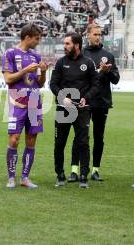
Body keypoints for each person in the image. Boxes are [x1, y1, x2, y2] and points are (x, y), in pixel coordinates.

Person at [67, 24, 120, 183]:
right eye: (95, 34)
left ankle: (95, 170)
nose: (98, 37)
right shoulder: (81, 54)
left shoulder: (108, 55)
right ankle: (74, 170)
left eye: (100, 34)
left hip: (102, 102)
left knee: (99, 137)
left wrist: (107, 71)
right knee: (80, 137)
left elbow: (116, 80)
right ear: (88, 35)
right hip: (83, 101)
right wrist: (97, 72)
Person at [2, 23, 50, 189]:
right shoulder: (10, 53)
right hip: (17, 103)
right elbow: (8, 79)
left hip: (34, 103)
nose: (38, 42)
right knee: (14, 139)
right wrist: (25, 70)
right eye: (36, 39)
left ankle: (25, 178)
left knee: (31, 140)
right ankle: (11, 178)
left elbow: (40, 84)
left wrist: (43, 72)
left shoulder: (36, 56)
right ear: (27, 37)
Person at [50, 32, 100, 189]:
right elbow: (53, 84)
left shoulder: (88, 63)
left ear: (76, 45)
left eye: (67, 44)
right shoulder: (60, 63)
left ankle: (83, 176)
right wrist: (61, 96)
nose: (64, 46)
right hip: (64, 109)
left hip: (82, 109)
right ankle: (60, 175)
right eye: (64, 44)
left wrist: (87, 97)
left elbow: (95, 84)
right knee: (60, 143)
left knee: (83, 143)